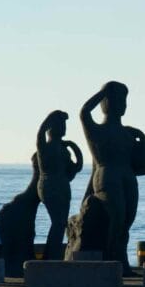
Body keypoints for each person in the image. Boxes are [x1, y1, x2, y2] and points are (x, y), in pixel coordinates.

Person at [80, 81, 145, 266]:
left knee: (127, 220)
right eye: (116, 99)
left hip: (128, 177)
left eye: (124, 100)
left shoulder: (128, 133)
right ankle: (112, 258)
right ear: (105, 103)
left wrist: (143, 139)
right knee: (116, 217)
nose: (121, 104)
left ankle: (121, 260)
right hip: (107, 176)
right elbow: (84, 112)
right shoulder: (97, 130)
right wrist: (102, 92)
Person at [35, 110, 83, 261]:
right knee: (58, 223)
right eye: (59, 124)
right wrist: (52, 116)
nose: (63, 128)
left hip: (63, 187)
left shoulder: (63, 149)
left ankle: (52, 256)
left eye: (64, 125)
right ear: (51, 127)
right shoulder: (45, 146)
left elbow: (75, 168)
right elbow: (40, 132)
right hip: (50, 186)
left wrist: (74, 148)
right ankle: (50, 257)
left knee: (60, 223)